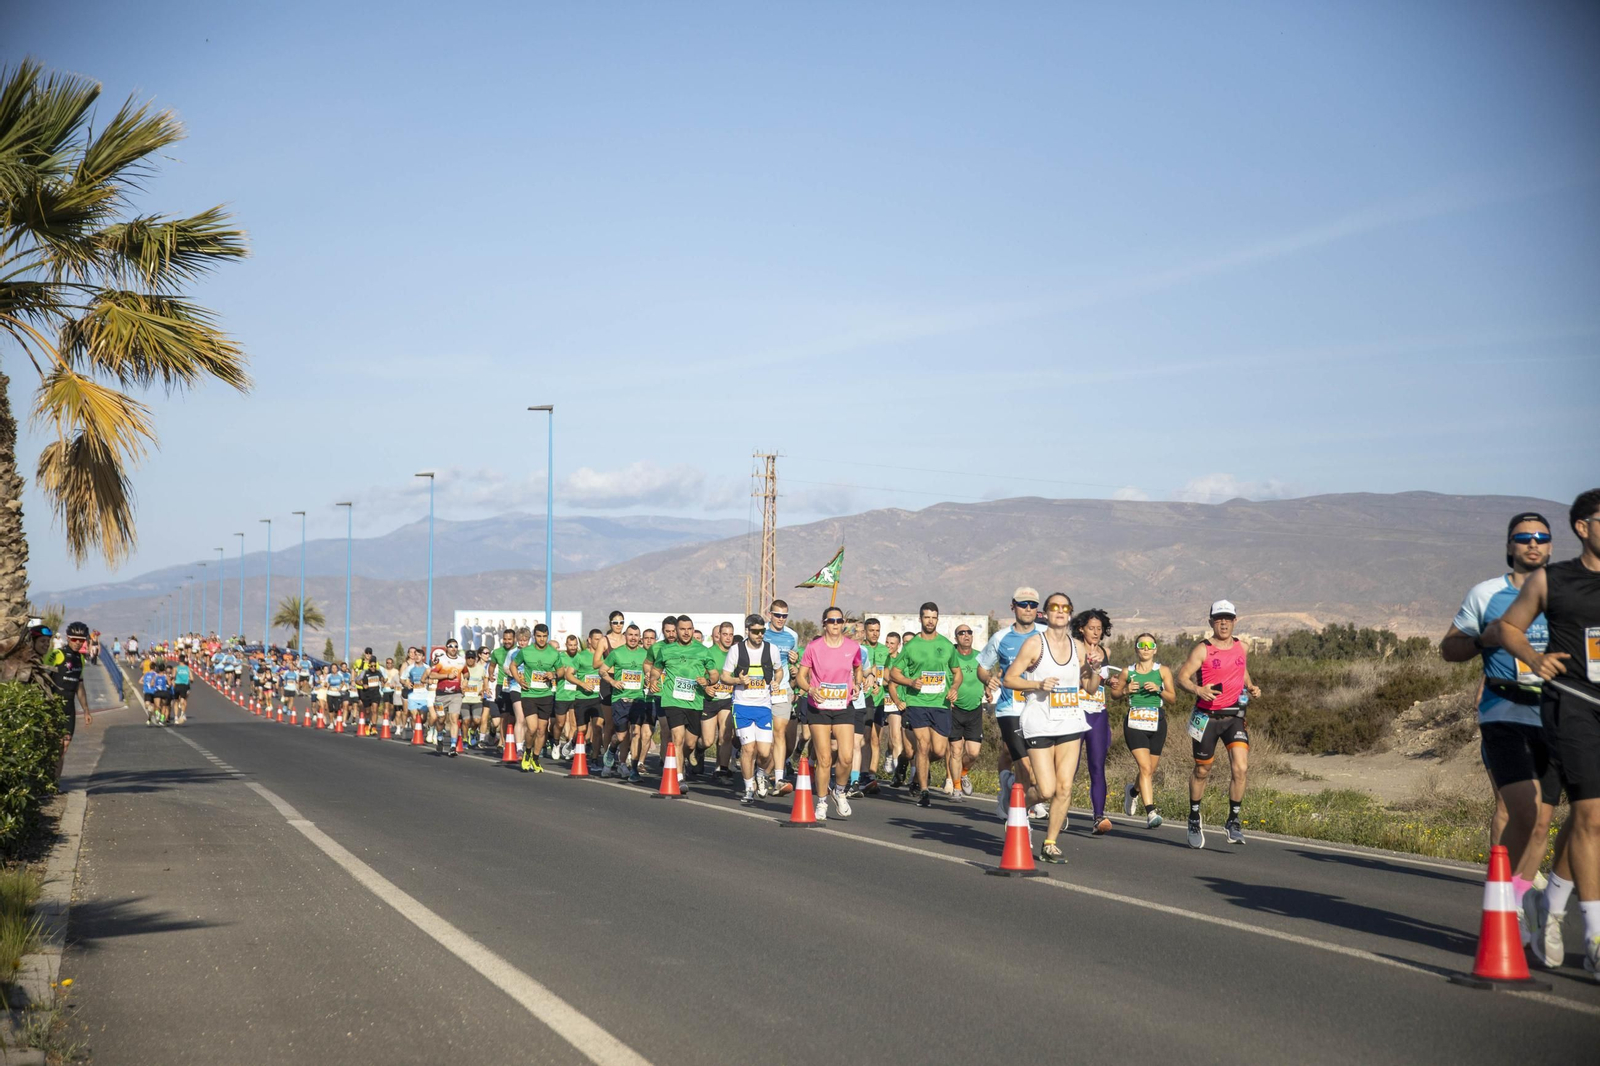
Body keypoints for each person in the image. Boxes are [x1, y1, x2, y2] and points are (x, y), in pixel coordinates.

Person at [1440, 512, 1559, 925]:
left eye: (1541, 536)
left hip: (1556, 715)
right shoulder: (1486, 594)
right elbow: (1449, 648)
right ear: (1509, 546)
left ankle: (1519, 896)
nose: (1532, 543)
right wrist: (1481, 640)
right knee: (1515, 809)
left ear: (1551, 545)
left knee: (1543, 821)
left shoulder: (1566, 594)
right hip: (1503, 711)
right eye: (1523, 537)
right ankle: (1504, 908)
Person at [1503, 488, 1600, 981]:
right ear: (1583, 527)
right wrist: (1536, 659)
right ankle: (1597, 936)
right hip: (1573, 706)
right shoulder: (1552, 579)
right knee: (1591, 815)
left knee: (1591, 822)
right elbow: (1509, 628)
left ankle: (1551, 910)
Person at [1003, 593, 1097, 863]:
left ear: (1070, 613)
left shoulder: (1078, 647)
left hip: (1069, 719)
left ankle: (1050, 843)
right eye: (1054, 607)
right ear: (1045, 613)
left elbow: (1089, 688)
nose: (1059, 611)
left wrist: (1094, 671)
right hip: (1040, 722)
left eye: (1065, 607)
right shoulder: (1035, 644)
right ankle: (1018, 806)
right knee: (1045, 789)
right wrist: (1037, 684)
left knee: (1064, 788)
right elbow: (1009, 678)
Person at [1176, 600, 1261, 849]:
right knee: (1202, 770)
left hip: (1234, 717)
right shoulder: (1202, 649)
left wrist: (1251, 687)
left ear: (1235, 621)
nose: (1223, 622)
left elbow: (1242, 671)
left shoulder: (1242, 647)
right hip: (1207, 719)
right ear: (1211, 621)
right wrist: (1197, 689)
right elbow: (1181, 677)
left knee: (1241, 768)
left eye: (1228, 618)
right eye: (1218, 618)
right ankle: (1193, 817)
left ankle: (1233, 821)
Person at [978, 589, 1046, 821]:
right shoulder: (1000, 637)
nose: (1028, 608)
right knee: (1026, 767)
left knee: (1037, 772)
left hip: (1041, 708)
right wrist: (988, 679)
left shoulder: (1047, 634)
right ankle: (1021, 822)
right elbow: (982, 667)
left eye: (1033, 604)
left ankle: (1010, 787)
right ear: (1013, 606)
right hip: (1011, 709)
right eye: (1023, 604)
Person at [889, 603, 961, 808]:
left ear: (938, 619)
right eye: (927, 617)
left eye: (934, 617)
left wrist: (954, 687)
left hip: (941, 703)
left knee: (938, 751)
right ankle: (924, 790)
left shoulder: (946, 645)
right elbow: (894, 673)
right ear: (920, 619)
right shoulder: (911, 646)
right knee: (922, 745)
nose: (930, 621)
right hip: (917, 702)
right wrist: (910, 682)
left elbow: (957, 672)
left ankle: (916, 775)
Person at [797, 606, 863, 819]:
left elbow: (858, 668)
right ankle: (822, 801)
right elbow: (801, 676)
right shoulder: (813, 647)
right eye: (831, 621)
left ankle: (840, 791)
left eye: (839, 620)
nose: (836, 625)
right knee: (824, 758)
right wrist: (810, 689)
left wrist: (858, 684)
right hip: (819, 707)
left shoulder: (852, 647)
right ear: (824, 623)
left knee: (846, 757)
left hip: (843, 707)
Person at [1110, 633, 1175, 828]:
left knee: (1150, 770)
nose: (1146, 648)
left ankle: (1132, 792)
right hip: (1135, 723)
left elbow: (1172, 698)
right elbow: (1114, 694)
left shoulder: (1162, 671)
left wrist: (1158, 689)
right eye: (1141, 644)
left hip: (1157, 722)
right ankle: (1151, 813)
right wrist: (1125, 691)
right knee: (1145, 768)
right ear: (1136, 649)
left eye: (1150, 645)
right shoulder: (1127, 672)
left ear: (1155, 649)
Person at [649, 614, 719, 790]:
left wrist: (708, 682)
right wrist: (653, 680)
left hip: (694, 701)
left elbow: (714, 674)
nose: (686, 633)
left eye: (689, 629)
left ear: (693, 630)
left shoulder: (703, 651)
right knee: (677, 738)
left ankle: (684, 759)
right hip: (672, 700)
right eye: (682, 629)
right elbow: (656, 670)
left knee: (690, 743)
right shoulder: (666, 650)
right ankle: (679, 777)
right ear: (676, 631)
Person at [1071, 608, 1116, 834]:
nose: (1096, 632)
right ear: (1081, 629)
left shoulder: (1105, 651)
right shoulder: (1074, 649)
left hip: (1098, 712)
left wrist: (1111, 682)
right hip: (1075, 712)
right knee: (1071, 767)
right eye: (1091, 628)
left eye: (1099, 629)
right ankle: (1060, 809)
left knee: (1097, 766)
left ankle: (1099, 817)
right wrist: (1089, 668)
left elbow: (1103, 678)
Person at [726, 614, 779, 803]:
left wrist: (776, 681)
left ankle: (761, 773)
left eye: (762, 631)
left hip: (763, 706)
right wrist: (738, 680)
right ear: (747, 631)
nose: (759, 635)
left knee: (765, 752)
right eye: (756, 631)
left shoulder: (771, 650)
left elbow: (778, 670)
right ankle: (748, 788)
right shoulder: (736, 650)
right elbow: (724, 677)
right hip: (742, 705)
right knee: (748, 749)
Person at [600, 624, 649, 781]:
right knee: (621, 737)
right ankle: (612, 748)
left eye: (636, 635)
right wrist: (612, 682)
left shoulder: (645, 654)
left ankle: (633, 769)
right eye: (630, 635)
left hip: (639, 699)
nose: (633, 638)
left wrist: (649, 679)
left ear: (639, 637)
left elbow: (652, 671)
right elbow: (601, 670)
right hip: (620, 699)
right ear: (625, 636)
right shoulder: (617, 653)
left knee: (636, 732)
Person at [517, 624, 563, 773]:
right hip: (529, 695)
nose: (542, 639)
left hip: (546, 696)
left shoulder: (553, 653)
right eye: (539, 636)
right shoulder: (526, 652)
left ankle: (535, 759)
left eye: (544, 636)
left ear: (547, 636)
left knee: (542, 730)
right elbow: (513, 665)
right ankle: (527, 752)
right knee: (531, 728)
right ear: (534, 637)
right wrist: (519, 680)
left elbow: (561, 670)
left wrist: (554, 675)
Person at [765, 600, 800, 791]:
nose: (781, 619)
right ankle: (760, 772)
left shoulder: (792, 635)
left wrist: (795, 661)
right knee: (763, 740)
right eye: (777, 615)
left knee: (779, 733)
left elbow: (795, 662)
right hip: (760, 690)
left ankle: (778, 777)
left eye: (784, 616)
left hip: (782, 689)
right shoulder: (760, 632)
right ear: (770, 614)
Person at [948, 623, 985, 798]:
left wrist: (989, 691)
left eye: (969, 632)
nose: (966, 635)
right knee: (956, 750)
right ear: (956, 638)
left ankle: (963, 774)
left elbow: (985, 677)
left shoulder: (980, 657)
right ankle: (956, 788)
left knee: (973, 752)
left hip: (975, 710)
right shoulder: (951, 656)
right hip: (954, 710)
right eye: (961, 633)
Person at [489, 628, 526, 766]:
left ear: (514, 639)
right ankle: (503, 741)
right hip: (502, 685)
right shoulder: (498, 652)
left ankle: (516, 742)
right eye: (505, 639)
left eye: (510, 639)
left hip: (517, 686)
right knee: (504, 715)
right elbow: (492, 666)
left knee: (517, 716)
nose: (507, 641)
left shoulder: (522, 651)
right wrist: (491, 674)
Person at [427, 640, 466, 756]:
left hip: (456, 694)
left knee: (454, 719)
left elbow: (466, 673)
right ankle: (439, 737)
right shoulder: (441, 661)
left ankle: (453, 746)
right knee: (441, 720)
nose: (453, 648)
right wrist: (446, 676)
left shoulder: (461, 661)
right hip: (441, 695)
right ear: (446, 648)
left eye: (455, 646)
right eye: (451, 646)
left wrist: (465, 681)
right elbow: (432, 675)